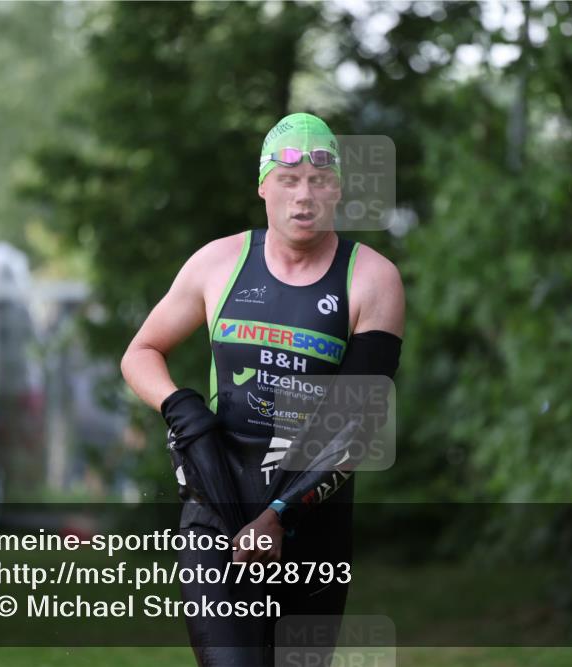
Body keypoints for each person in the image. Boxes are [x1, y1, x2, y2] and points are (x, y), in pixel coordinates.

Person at [121, 112, 405, 665]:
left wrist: (280, 515)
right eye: (288, 179)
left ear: (338, 189)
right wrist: (181, 408)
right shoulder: (218, 263)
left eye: (319, 181)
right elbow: (140, 352)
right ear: (263, 187)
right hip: (217, 500)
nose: (304, 196)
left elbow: (357, 422)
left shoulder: (371, 278)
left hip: (312, 510)